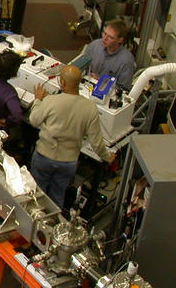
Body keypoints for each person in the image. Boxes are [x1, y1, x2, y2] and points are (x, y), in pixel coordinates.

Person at [28, 65, 114, 208]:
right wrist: (107, 157)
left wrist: (38, 100)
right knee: (57, 196)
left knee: (36, 194)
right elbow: (96, 142)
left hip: (44, 157)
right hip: (67, 163)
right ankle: (52, 225)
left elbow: (34, 120)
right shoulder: (90, 108)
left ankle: (33, 222)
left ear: (62, 83)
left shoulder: (50, 101)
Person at [80, 18, 135, 90]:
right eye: (104, 33)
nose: (104, 38)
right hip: (86, 86)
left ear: (120, 40)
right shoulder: (95, 45)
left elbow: (123, 89)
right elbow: (83, 65)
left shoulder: (126, 60)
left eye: (110, 37)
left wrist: (101, 82)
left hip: (106, 95)